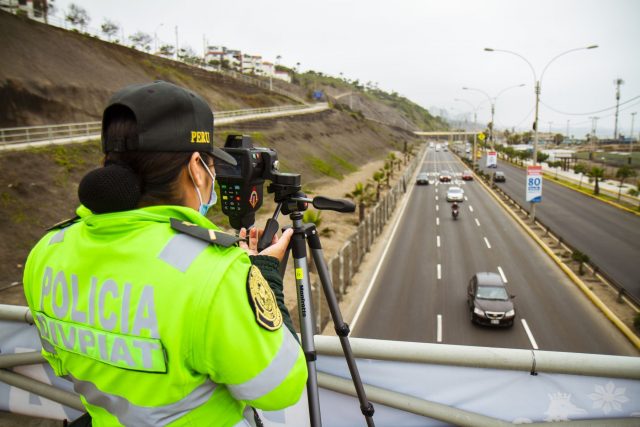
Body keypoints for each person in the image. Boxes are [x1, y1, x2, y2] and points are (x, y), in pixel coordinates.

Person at [22, 81, 308, 426]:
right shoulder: (216, 274)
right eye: (213, 167)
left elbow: (61, 361)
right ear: (197, 167)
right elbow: (281, 388)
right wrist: (265, 278)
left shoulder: (49, 249)